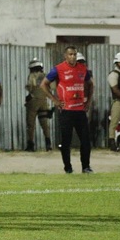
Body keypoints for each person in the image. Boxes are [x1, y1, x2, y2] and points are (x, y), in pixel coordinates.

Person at [40, 46, 94, 174]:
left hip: (80, 110)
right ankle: (68, 167)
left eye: (74, 54)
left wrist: (89, 101)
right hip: (66, 111)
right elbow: (43, 84)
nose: (73, 57)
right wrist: (55, 100)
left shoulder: (82, 69)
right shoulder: (58, 69)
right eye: (70, 54)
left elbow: (91, 84)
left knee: (86, 140)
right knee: (66, 141)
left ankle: (86, 167)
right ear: (65, 56)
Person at [25, 58, 52, 152]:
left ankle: (31, 145)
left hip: (33, 102)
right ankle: (48, 144)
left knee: (30, 123)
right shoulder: (45, 76)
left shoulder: (32, 76)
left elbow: (29, 87)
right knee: (44, 124)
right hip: (44, 102)